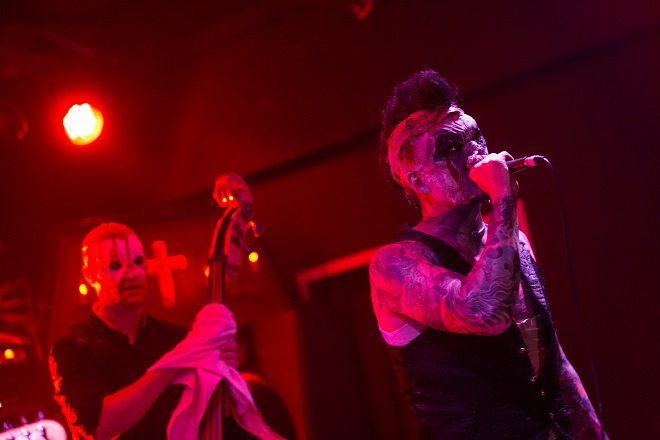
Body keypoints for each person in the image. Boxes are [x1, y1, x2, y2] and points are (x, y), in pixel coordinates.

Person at [369, 70, 606, 439]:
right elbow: (484, 312)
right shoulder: (396, 265)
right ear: (417, 181)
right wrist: (504, 198)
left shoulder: (515, 242)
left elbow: (553, 358)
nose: (474, 153)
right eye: (450, 148)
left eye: (476, 137)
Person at [49, 223, 278, 439]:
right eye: (115, 265)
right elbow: (97, 428)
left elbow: (206, 416)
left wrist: (224, 374)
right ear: (89, 275)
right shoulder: (73, 349)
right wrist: (173, 364)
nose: (132, 273)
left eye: (138, 262)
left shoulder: (175, 338)